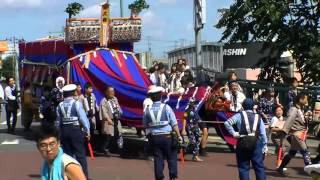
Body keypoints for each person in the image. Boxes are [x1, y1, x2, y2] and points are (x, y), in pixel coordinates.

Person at [143, 86, 182, 180]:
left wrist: (149, 135)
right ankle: (172, 177)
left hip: (155, 137)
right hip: (168, 136)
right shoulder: (166, 107)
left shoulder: (147, 110)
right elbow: (174, 124)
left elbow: (145, 125)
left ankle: (159, 177)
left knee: (158, 159)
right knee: (172, 157)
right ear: (160, 96)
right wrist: (179, 136)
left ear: (151, 98)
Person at [224, 98, 267, 180]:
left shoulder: (239, 115)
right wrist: (265, 146)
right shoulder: (258, 117)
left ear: (243, 106)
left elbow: (227, 123)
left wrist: (233, 133)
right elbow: (263, 134)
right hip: (256, 142)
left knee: (243, 167)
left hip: (242, 141)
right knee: (259, 167)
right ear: (253, 107)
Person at [55, 84, 90, 178]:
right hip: (75, 130)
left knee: (68, 156)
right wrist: (87, 131)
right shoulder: (76, 103)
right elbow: (83, 119)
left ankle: (69, 176)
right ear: (73, 92)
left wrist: (58, 134)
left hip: (64, 131)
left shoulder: (59, 105)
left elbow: (58, 122)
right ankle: (83, 177)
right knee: (80, 155)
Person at [277, 93, 312, 175]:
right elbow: (289, 121)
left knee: (292, 152)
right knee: (305, 152)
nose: (307, 101)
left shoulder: (300, 109)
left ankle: (281, 167)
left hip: (300, 135)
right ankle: (312, 171)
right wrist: (284, 132)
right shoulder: (294, 110)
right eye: (305, 99)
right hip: (297, 135)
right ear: (300, 100)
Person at [99, 86, 124, 155]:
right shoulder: (103, 101)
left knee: (119, 134)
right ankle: (105, 148)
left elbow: (118, 107)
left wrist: (120, 112)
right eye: (111, 91)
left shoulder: (115, 99)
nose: (113, 93)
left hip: (116, 119)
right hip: (109, 120)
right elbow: (104, 112)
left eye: (113, 91)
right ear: (107, 92)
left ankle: (120, 149)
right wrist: (108, 119)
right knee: (108, 136)